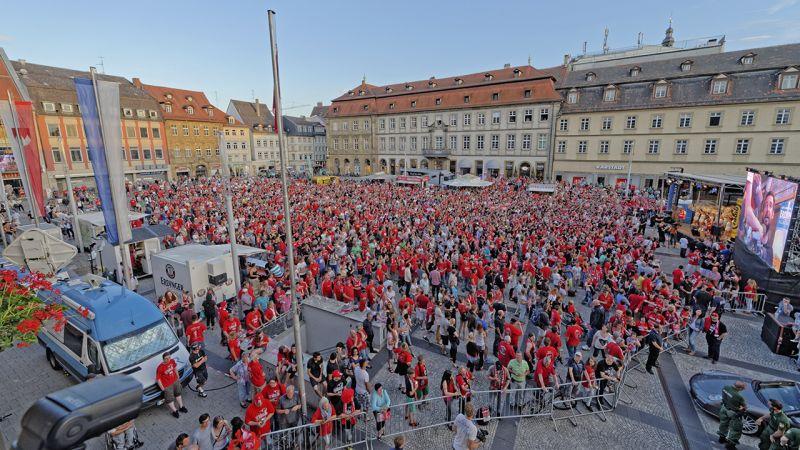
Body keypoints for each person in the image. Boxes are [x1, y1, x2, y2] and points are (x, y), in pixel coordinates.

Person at [156, 352, 187, 418]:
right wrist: (163, 389)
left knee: (178, 394)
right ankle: (175, 411)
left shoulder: (172, 361)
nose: (168, 359)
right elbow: (158, 379)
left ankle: (181, 407)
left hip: (175, 381)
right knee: (169, 399)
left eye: (169, 357)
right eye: (166, 358)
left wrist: (178, 376)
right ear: (163, 359)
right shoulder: (160, 368)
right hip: (167, 385)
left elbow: (175, 368)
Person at [717, 381, 747, 450]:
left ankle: (721, 438)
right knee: (736, 429)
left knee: (723, 423)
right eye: (743, 388)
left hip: (724, 408)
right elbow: (744, 407)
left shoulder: (726, 387)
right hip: (732, 412)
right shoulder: (739, 396)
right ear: (740, 388)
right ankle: (730, 445)